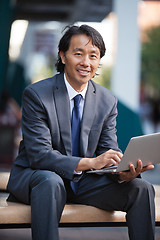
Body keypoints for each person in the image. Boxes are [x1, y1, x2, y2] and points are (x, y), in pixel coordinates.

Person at [7, 25, 155, 240]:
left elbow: (108, 151)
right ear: (63, 56)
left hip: (82, 183)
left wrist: (123, 172)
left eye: (93, 56)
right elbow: (39, 155)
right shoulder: (37, 95)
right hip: (38, 178)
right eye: (78, 53)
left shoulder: (107, 101)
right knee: (51, 181)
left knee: (141, 188)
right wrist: (91, 163)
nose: (86, 62)